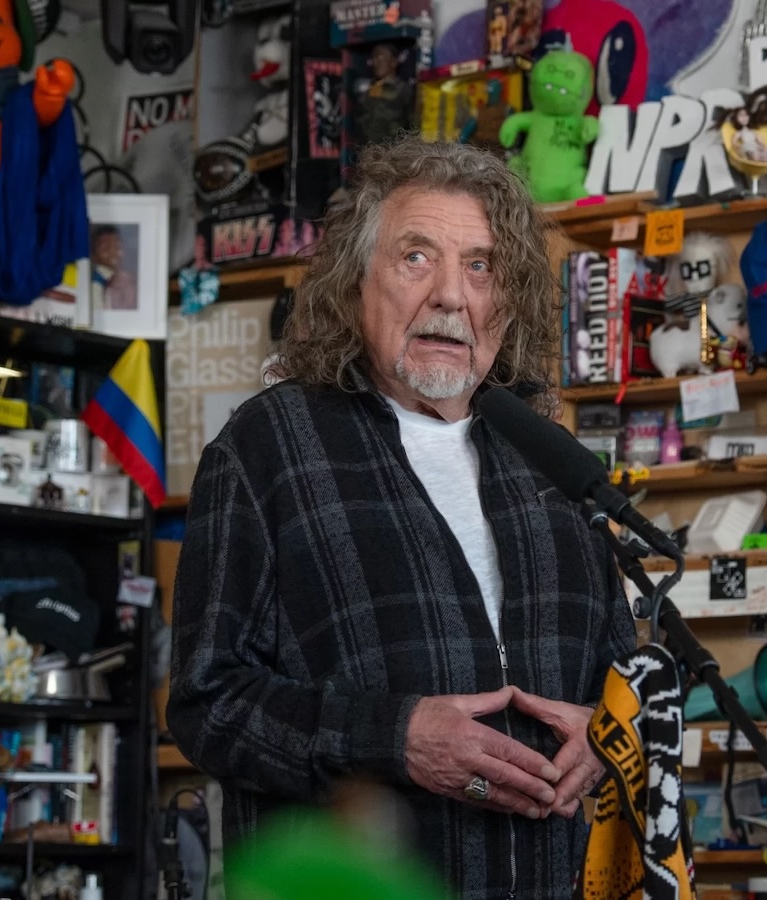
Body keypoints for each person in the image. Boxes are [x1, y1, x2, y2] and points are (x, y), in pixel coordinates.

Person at [167, 138, 639, 899]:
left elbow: (620, 672)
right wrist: (394, 737)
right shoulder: (268, 447)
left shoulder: (551, 461)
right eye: (417, 257)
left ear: (507, 300)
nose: (451, 295)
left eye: (481, 267)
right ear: (356, 280)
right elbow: (206, 703)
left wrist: (609, 734)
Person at [89, 225, 138, 310]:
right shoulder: (95, 285)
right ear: (93, 256)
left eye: (117, 247)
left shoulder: (128, 280)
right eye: (105, 249)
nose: (113, 252)